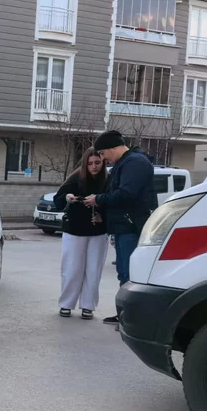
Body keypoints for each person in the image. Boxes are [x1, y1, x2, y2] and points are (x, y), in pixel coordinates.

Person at [83, 130, 157, 326]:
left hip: (131, 227)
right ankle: (124, 315)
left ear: (112, 148)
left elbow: (125, 194)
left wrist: (98, 199)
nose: (102, 158)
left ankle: (132, 319)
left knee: (130, 274)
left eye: (102, 153)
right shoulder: (125, 163)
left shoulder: (135, 163)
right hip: (123, 226)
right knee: (124, 272)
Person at [54, 148, 108, 320]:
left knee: (94, 270)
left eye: (97, 163)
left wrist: (103, 215)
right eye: (90, 163)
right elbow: (58, 199)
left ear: (103, 163)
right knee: (71, 268)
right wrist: (68, 197)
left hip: (98, 231)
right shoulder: (76, 178)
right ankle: (66, 303)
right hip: (74, 229)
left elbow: (115, 202)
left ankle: (88, 306)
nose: (94, 167)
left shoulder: (109, 180)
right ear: (85, 164)